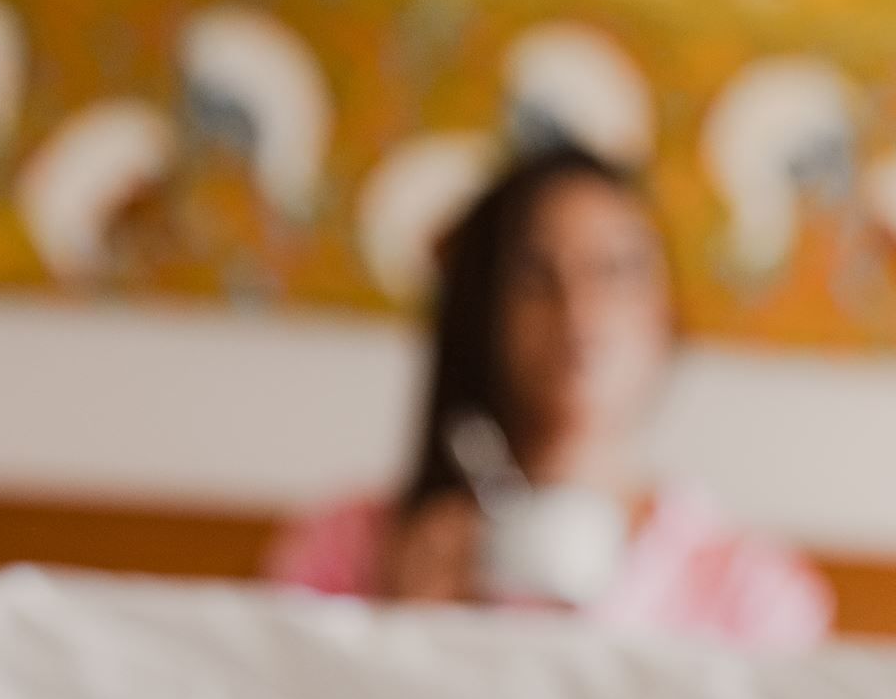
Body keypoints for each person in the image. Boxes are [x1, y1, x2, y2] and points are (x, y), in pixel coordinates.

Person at [266, 144, 833, 645]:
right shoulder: (347, 549)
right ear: (481, 312)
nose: (577, 313)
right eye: (535, 277)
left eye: (613, 272)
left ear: (665, 318)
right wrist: (399, 633)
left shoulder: (755, 595)